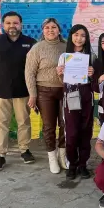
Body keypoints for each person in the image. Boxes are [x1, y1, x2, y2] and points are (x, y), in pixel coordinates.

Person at [0, 11, 36, 172]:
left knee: (24, 123)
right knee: (1, 125)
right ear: (3, 25)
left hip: (23, 91)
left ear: (21, 25)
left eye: (15, 23)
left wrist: (34, 92)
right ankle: (0, 155)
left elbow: (35, 69)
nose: (12, 26)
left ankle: (25, 150)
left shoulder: (30, 43)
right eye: (8, 23)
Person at [57, 24, 99, 180]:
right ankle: (72, 165)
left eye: (83, 35)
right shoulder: (64, 56)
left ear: (86, 38)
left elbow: (95, 84)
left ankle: (83, 165)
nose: (79, 38)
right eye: (76, 35)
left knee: (85, 131)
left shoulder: (91, 56)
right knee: (72, 132)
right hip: (71, 96)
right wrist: (60, 73)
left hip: (87, 96)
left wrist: (92, 74)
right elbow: (62, 81)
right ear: (71, 36)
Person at [25, 18, 67, 174]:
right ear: (43, 31)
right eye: (47, 27)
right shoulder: (37, 49)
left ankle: (63, 155)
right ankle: (52, 157)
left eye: (54, 27)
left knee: (65, 124)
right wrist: (32, 95)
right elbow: (29, 73)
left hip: (64, 91)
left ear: (58, 29)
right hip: (44, 92)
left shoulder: (66, 46)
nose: (51, 30)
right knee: (49, 126)